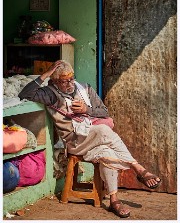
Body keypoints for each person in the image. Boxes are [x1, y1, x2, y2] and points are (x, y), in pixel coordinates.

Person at [18, 60, 161, 218]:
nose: (70, 83)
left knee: (107, 152)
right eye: (65, 81)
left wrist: (87, 109)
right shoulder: (50, 93)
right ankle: (138, 168)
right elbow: (25, 94)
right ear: (55, 81)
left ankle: (114, 201)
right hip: (75, 142)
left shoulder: (85, 88)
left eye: (72, 79)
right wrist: (46, 73)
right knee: (103, 130)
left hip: (94, 140)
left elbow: (104, 112)